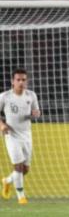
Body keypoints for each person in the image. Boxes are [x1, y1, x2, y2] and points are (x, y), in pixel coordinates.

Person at [0, 69, 41, 204]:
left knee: (25, 169)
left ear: (26, 81)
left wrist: (35, 114)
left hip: (26, 135)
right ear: (12, 81)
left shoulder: (31, 95)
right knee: (18, 166)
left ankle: (7, 181)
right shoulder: (4, 96)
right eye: (18, 80)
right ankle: (21, 196)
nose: (21, 82)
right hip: (11, 135)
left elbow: (36, 112)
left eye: (23, 80)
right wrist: (2, 125)